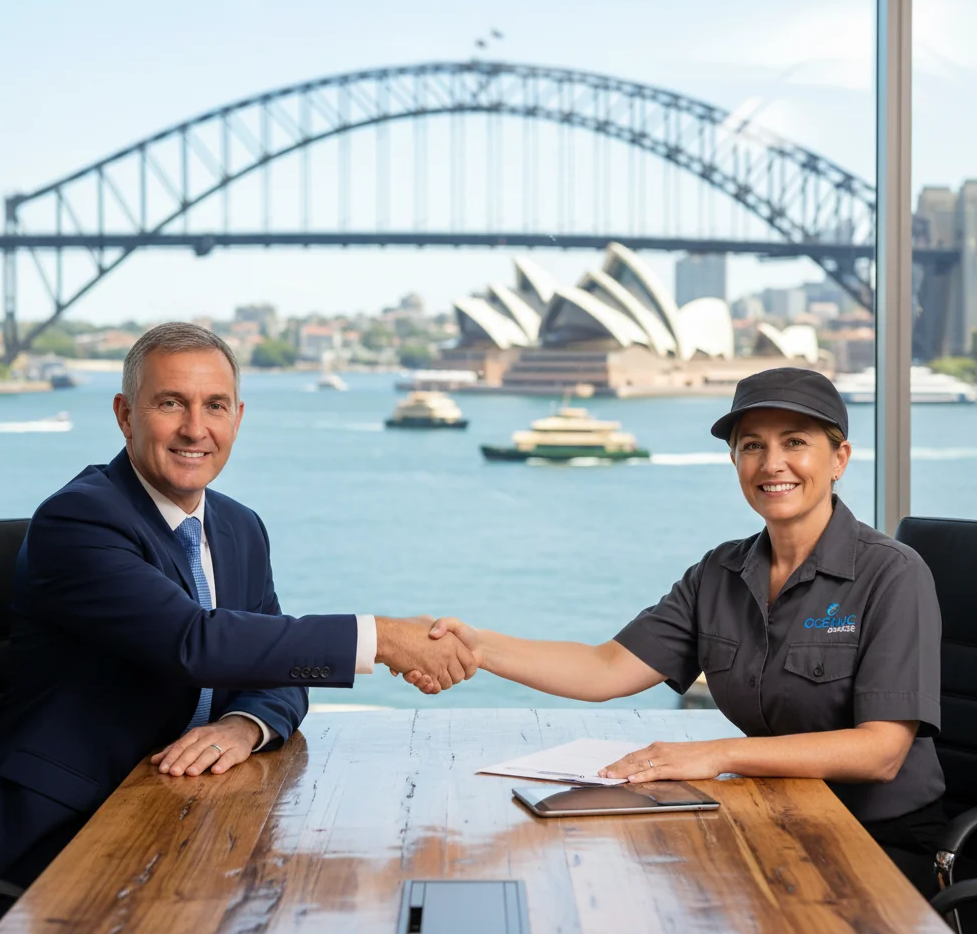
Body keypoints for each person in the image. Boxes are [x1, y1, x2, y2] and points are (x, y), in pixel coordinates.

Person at [0, 322, 476, 906]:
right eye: (170, 403)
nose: (195, 429)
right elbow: (194, 641)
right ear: (125, 415)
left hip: (187, 816)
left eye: (215, 406)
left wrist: (243, 726)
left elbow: (279, 667)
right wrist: (380, 638)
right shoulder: (78, 521)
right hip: (65, 833)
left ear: (238, 418)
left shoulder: (240, 527)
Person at [404, 367, 946, 895]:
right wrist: (480, 647)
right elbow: (605, 668)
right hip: (771, 817)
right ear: (734, 460)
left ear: (839, 459)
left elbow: (880, 752)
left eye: (796, 442)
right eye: (752, 445)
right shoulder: (720, 573)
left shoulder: (892, 574)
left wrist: (717, 755)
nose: (772, 463)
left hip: (879, 842)